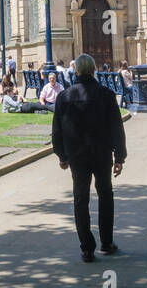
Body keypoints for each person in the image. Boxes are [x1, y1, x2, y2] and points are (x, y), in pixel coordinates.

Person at [52, 54, 127, 263]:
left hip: (77, 156)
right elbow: (116, 129)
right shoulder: (106, 95)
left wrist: (62, 155)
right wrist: (119, 156)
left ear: (76, 71)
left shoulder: (64, 97)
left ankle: (87, 248)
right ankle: (106, 242)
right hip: (101, 154)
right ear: (94, 70)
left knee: (80, 199)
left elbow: (57, 130)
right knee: (105, 196)